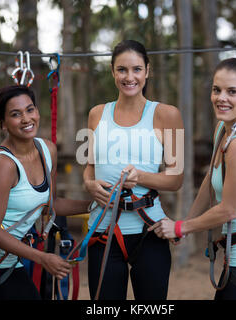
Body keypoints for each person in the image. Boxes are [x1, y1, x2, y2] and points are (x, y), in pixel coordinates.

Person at [149, 58, 236, 300]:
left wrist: (180, 227)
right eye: (217, 90)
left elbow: (229, 210)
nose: (221, 97)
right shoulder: (223, 129)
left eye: (232, 91)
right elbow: (211, 180)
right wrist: (186, 226)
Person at [0, 85, 91, 300]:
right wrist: (42, 258)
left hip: (7, 259)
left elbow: (50, 204)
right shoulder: (2, 165)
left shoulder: (47, 150)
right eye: (15, 114)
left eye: (30, 110)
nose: (26, 119)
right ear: (2, 123)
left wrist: (93, 204)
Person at [83, 40, 184, 300]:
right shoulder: (96, 114)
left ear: (147, 71)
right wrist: (90, 185)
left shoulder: (167, 114)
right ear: (112, 71)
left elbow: (176, 179)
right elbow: (89, 168)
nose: (129, 77)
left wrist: (140, 177)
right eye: (122, 70)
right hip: (102, 231)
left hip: (149, 231)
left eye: (137, 69)